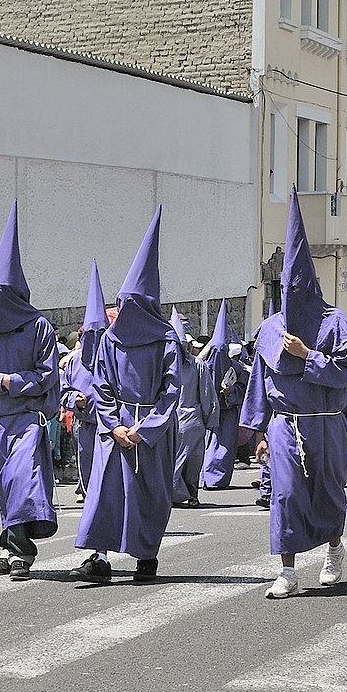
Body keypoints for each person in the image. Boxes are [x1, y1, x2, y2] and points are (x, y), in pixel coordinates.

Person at [240, 191, 347, 598]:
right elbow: (258, 380)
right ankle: (287, 572)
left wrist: (308, 355)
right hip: (285, 426)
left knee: (328, 493)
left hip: (326, 425)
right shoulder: (270, 328)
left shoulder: (336, 324)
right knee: (286, 495)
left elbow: (345, 374)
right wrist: (256, 433)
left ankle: (334, 549)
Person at [74, 208, 178, 584]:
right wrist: (115, 425)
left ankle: (146, 557)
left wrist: (144, 430)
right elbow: (101, 385)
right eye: (124, 302)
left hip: (151, 431)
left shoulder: (166, 341)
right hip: (114, 428)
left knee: (149, 494)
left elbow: (171, 391)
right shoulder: (109, 341)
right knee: (105, 491)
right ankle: (98, 557)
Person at [0, 201, 59, 581]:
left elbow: (47, 372)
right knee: (4, 484)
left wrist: (14, 382)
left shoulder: (39, 327)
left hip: (25, 418)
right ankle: (10, 546)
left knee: (24, 479)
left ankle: (22, 552)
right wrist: (0, 381)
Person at [60, 262, 109, 504]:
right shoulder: (74, 362)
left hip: (113, 426)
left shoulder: (117, 359)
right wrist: (75, 400)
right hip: (86, 425)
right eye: (90, 335)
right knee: (88, 468)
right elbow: (63, 391)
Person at [170, 312, 217, 509]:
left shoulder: (197, 365)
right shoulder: (164, 365)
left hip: (190, 421)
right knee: (179, 463)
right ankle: (181, 494)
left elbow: (206, 394)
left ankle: (188, 494)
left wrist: (210, 420)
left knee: (191, 462)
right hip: (172, 422)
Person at [200, 301, 244, 491]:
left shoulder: (238, 368)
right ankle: (205, 476)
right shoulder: (203, 367)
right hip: (209, 411)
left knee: (224, 446)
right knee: (207, 446)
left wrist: (230, 392)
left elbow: (244, 388)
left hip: (228, 411)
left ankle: (217, 478)